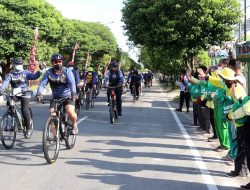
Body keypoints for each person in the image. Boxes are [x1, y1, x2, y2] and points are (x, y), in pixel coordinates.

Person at [36, 53, 78, 134]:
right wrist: (39, 94)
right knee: (52, 114)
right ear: (52, 63)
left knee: (70, 111)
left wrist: (74, 93)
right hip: (55, 98)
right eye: (55, 61)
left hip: (68, 97)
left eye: (59, 61)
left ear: (62, 62)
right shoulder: (48, 72)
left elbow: (72, 83)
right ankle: (55, 138)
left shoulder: (67, 71)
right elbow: (42, 84)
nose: (57, 63)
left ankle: (74, 123)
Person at [0, 58, 42, 136]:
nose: (19, 66)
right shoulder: (10, 74)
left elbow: (34, 76)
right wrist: (1, 90)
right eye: (17, 65)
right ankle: (11, 121)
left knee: (24, 109)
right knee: (9, 103)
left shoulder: (26, 73)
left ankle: (28, 128)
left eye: (20, 64)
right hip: (15, 94)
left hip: (25, 93)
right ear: (14, 65)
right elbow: (5, 83)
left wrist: (40, 70)